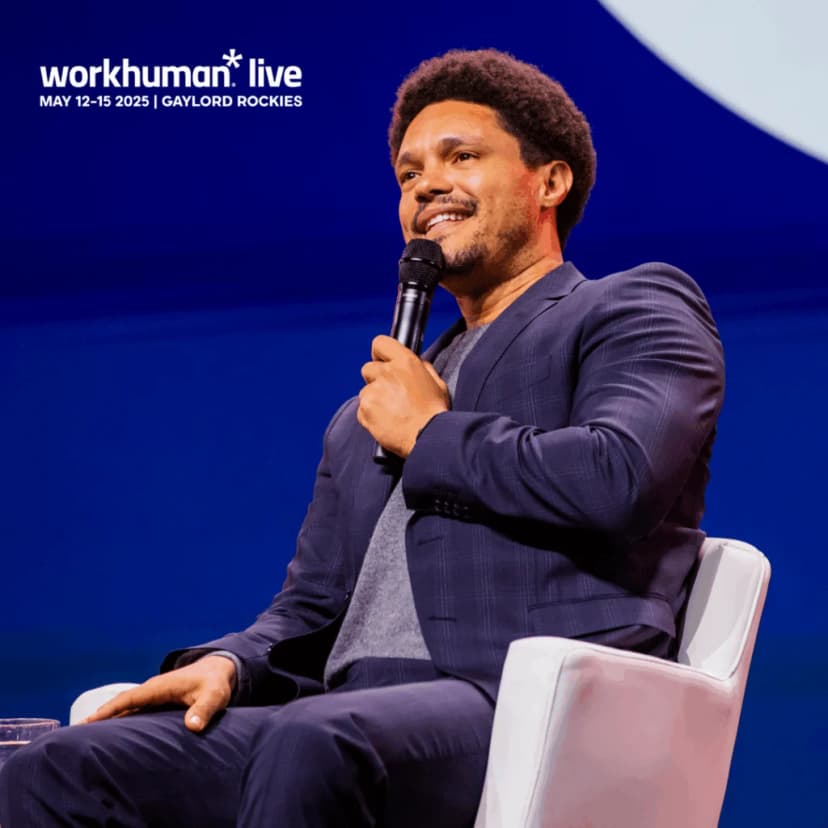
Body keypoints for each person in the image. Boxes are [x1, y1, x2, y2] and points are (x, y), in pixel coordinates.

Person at [0, 48, 724, 827]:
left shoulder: (630, 306)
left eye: (461, 157)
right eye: (409, 175)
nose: (427, 187)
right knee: (59, 767)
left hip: (515, 699)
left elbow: (621, 476)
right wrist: (231, 664)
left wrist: (434, 432)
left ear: (549, 181)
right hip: (336, 710)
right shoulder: (368, 414)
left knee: (313, 743)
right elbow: (310, 605)